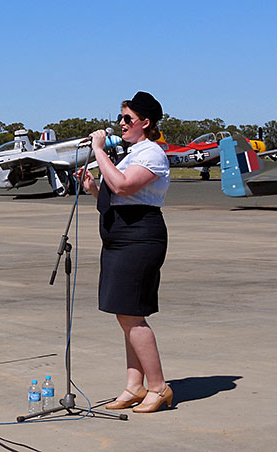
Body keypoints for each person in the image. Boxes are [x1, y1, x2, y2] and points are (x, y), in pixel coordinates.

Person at [77, 91, 173, 413]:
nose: (121, 124)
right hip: (120, 237)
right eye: (121, 118)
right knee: (126, 313)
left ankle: (159, 387)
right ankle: (135, 385)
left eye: (128, 119)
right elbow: (116, 195)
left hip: (140, 237)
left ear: (145, 123)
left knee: (132, 315)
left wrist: (98, 151)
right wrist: (93, 187)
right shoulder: (131, 154)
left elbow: (121, 186)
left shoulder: (152, 154)